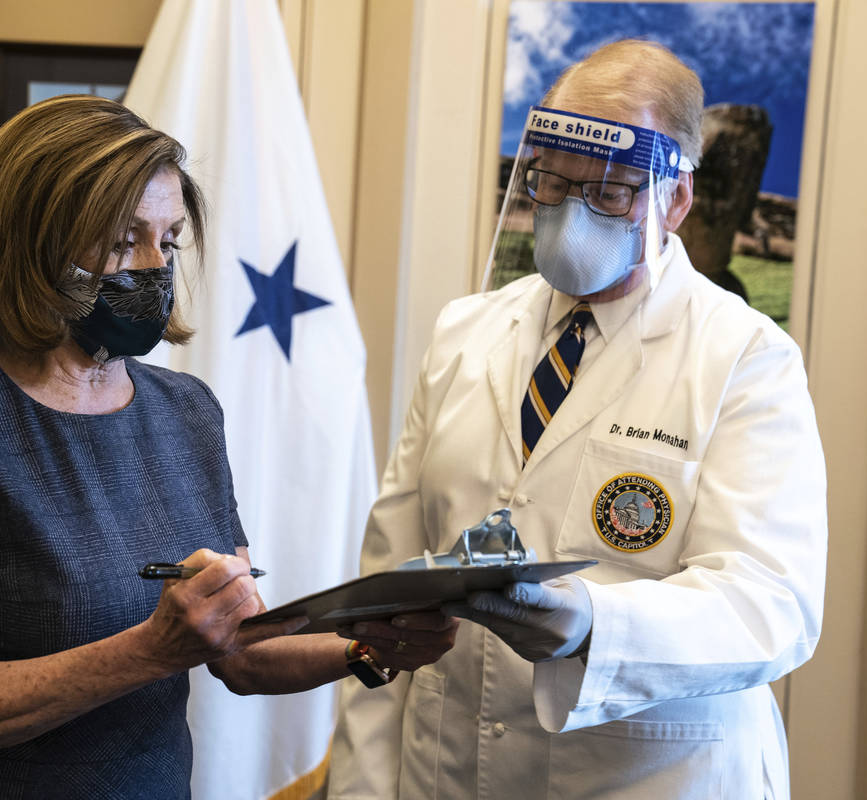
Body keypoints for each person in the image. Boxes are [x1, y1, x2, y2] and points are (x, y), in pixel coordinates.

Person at [0, 95, 457, 799]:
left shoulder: (187, 413)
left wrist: (366, 647)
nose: (154, 267)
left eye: (168, 240)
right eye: (122, 241)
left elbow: (236, 650)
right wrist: (148, 652)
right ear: (32, 245)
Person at [327, 40, 826, 800]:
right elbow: (389, 585)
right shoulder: (465, 331)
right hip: (446, 769)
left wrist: (591, 623)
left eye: (609, 193)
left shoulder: (747, 357)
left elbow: (770, 604)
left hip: (648, 776)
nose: (569, 211)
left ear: (677, 201)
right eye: (552, 182)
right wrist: (363, 787)